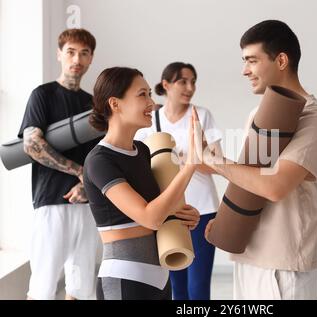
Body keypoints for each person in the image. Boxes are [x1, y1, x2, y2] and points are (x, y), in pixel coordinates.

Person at [203, 20, 317, 300]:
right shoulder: (258, 114)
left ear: (282, 60)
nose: (244, 70)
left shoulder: (314, 118)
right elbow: (247, 177)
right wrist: (226, 219)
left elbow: (275, 186)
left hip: (283, 268)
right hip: (248, 256)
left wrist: (215, 161)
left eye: (252, 60)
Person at [83, 67, 201, 300]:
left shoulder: (144, 151)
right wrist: (190, 166)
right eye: (142, 95)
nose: (151, 102)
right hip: (124, 279)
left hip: (160, 278)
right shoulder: (99, 160)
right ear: (115, 104)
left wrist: (183, 216)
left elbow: (161, 209)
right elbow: (149, 217)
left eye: (149, 93)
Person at [18, 28, 99, 300]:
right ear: (59, 54)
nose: (77, 58)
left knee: (81, 288)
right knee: (43, 285)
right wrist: (80, 173)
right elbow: (32, 145)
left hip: (86, 204)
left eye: (84, 53)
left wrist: (87, 186)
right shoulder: (42, 95)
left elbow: (98, 155)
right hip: (52, 200)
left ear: (91, 59)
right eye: (71, 52)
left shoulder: (93, 104)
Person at [134, 62, 222, 300]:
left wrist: (186, 158)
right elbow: (141, 164)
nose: (190, 87)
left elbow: (217, 163)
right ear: (166, 85)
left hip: (203, 209)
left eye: (193, 81)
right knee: (175, 287)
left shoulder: (202, 115)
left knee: (198, 286)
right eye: (183, 81)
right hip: (168, 208)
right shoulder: (150, 120)